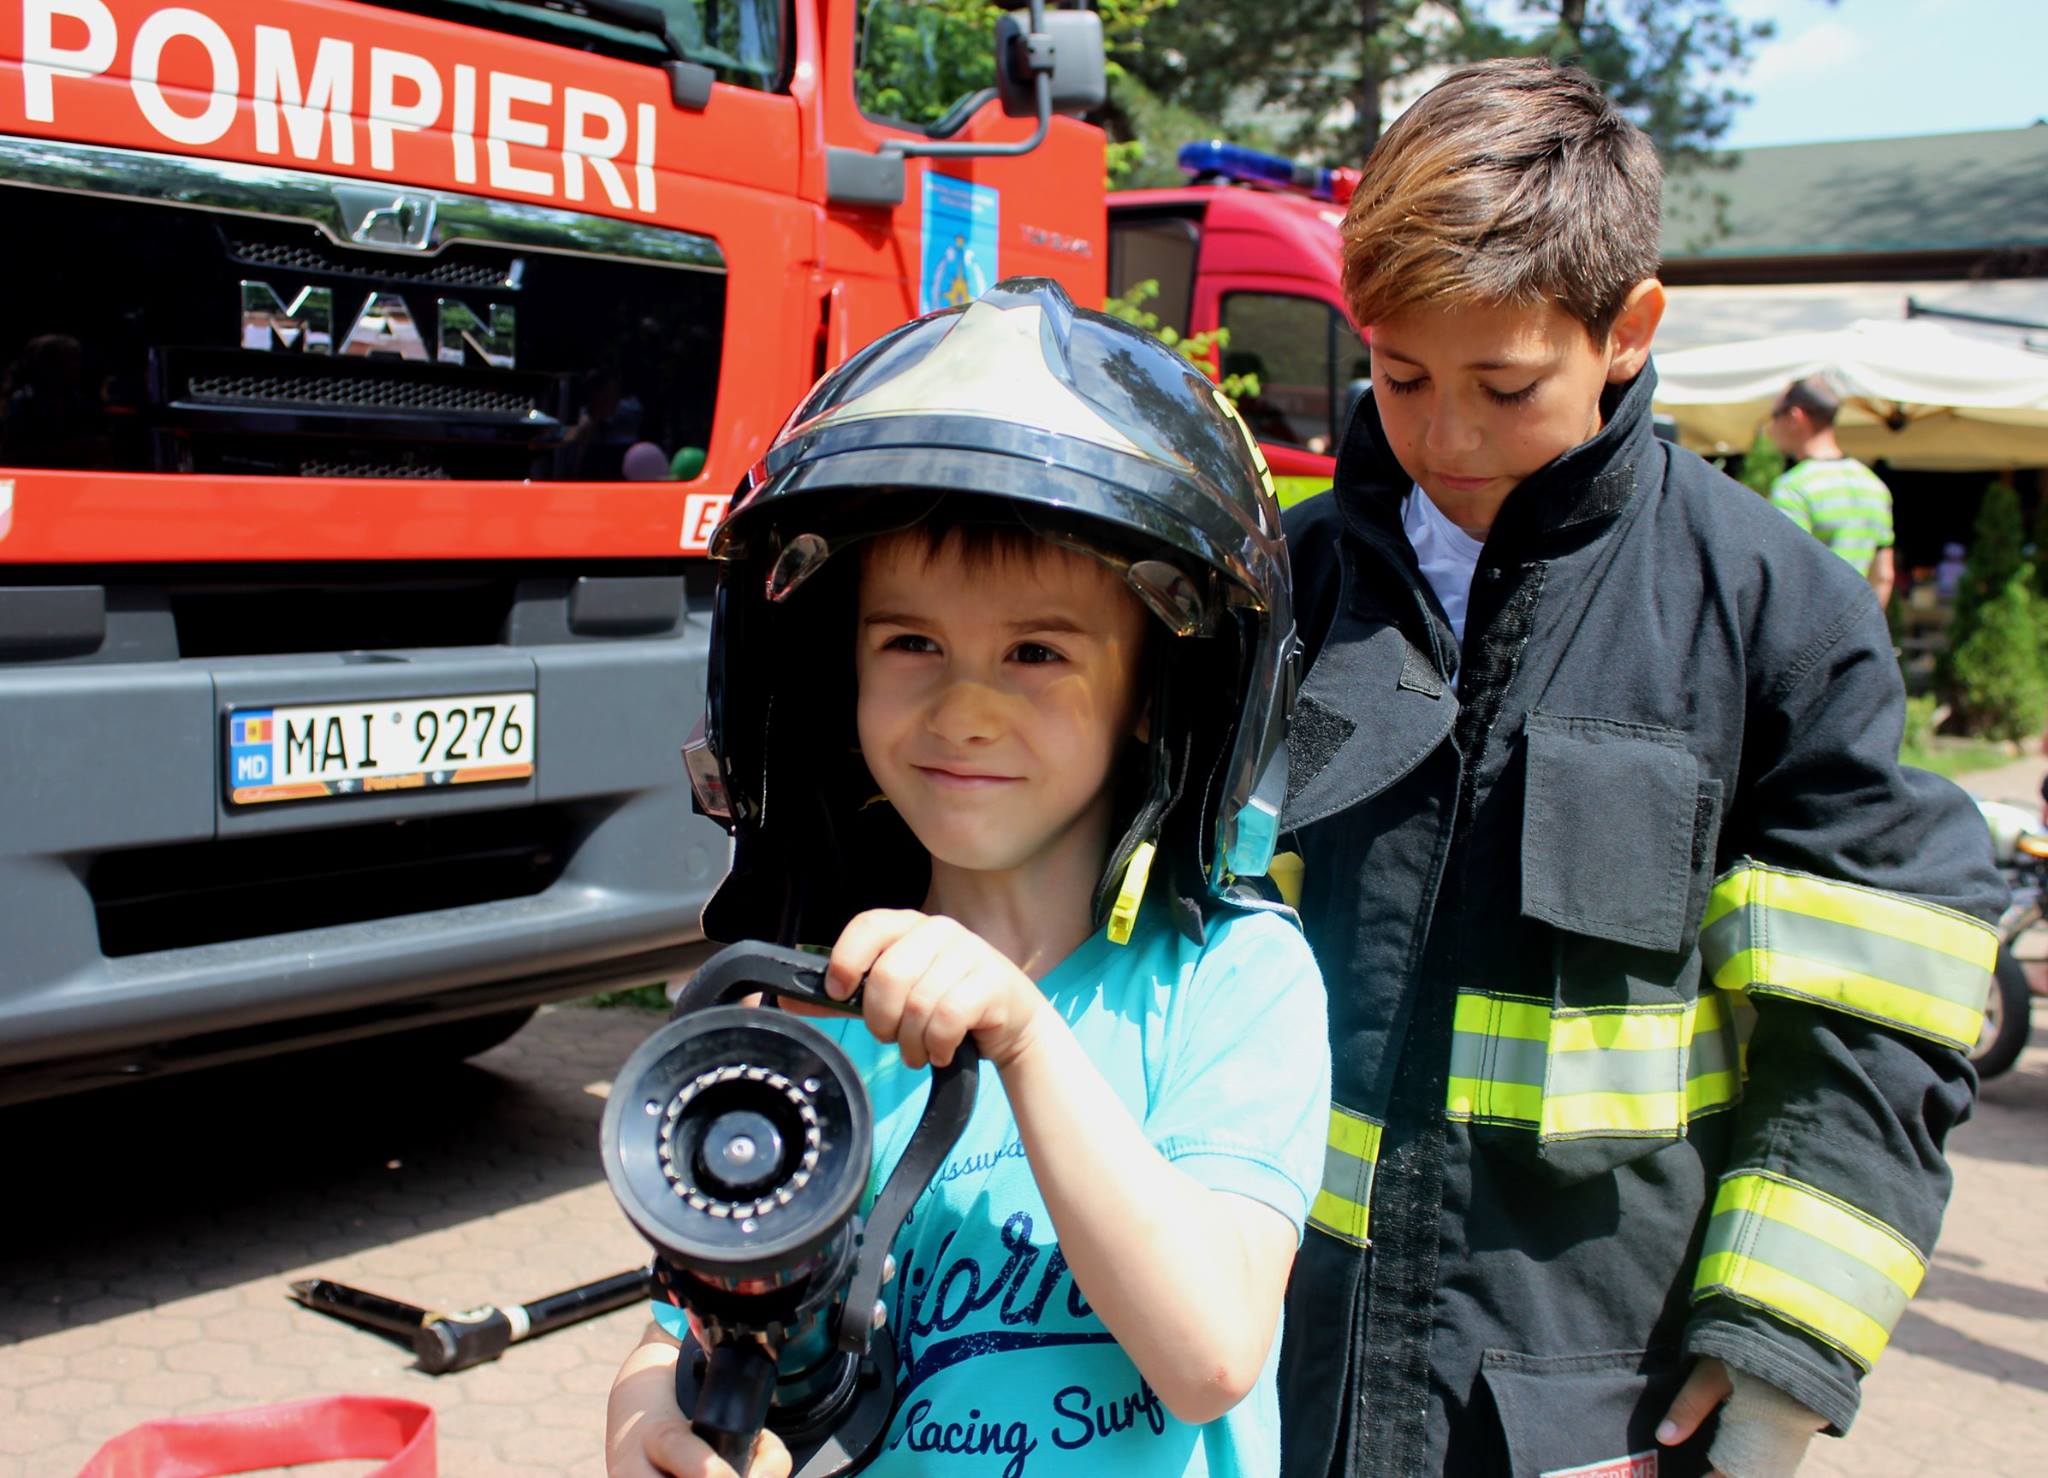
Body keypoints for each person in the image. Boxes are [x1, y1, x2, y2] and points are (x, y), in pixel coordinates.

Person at [1275, 58, 2002, 1478]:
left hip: (1580, 1412)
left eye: (1505, 382)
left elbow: (1863, 1025)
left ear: (1628, 330)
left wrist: (1776, 1352)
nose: (1446, 436)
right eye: (1401, 373)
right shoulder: (1279, 593)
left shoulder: (1775, 614)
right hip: (1262, 1377)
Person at [606, 278, 1329, 1478]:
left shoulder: (1229, 980)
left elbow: (1208, 1349)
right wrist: (643, 1419)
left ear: (1153, 693)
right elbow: (681, 1324)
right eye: (910, 642)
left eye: (1037, 651)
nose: (964, 706)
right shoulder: (802, 1019)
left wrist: (1026, 1036)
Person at [1765, 374, 1898, 608]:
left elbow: (1787, 576)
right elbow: (1884, 575)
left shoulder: (1793, 488)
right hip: (1857, 629)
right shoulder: (1874, 485)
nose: (1770, 429)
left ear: (1796, 417)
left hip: (1811, 629)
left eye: (1774, 417)